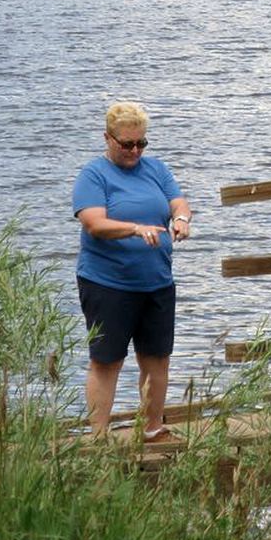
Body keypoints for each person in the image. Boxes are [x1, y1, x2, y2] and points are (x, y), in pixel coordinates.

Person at [72, 101, 192, 441]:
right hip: (107, 282)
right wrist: (137, 229)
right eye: (127, 144)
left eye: (141, 143)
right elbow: (95, 223)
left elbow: (178, 202)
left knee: (157, 357)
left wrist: (181, 220)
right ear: (108, 139)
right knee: (107, 360)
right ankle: (98, 436)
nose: (135, 150)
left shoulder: (155, 169)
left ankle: (152, 427)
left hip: (156, 281)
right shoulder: (94, 175)